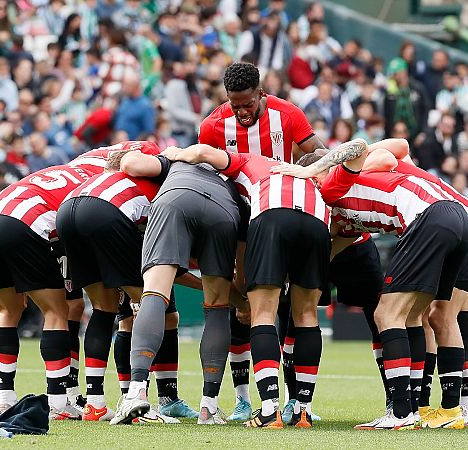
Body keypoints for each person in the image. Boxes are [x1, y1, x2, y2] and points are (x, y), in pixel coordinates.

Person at [272, 139, 468, 430]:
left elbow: (358, 145)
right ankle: (416, 410)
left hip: (429, 219)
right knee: (411, 316)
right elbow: (333, 246)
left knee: (385, 315)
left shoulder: (332, 184)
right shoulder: (342, 209)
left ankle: (400, 413)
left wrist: (311, 169)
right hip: (457, 220)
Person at [165, 140, 340, 429]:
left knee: (262, 314)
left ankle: (270, 409)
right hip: (316, 223)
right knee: (307, 315)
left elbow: (201, 152)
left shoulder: (254, 161)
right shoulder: (319, 180)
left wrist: (174, 153)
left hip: (272, 216)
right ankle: (302, 410)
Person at [197, 62, 327, 421]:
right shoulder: (212, 125)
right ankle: (243, 399)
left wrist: (305, 167)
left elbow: (320, 153)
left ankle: (291, 403)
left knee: (288, 309)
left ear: (261, 93)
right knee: (244, 305)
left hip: (278, 209)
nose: (241, 111)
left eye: (248, 104)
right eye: (234, 104)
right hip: (239, 221)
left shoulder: (288, 114)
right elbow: (206, 172)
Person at [57, 141, 194, 423]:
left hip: (67, 210)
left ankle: (96, 403)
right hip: (106, 214)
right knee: (157, 305)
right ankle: (143, 398)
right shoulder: (166, 186)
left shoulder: (108, 176)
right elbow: (169, 262)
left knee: (104, 307)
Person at [111, 147, 246, 426]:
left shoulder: (179, 160)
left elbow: (132, 163)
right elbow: (242, 255)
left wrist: (169, 156)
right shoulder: (238, 174)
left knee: (154, 294)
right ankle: (209, 407)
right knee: (217, 308)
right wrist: (243, 300)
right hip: (224, 212)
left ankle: (135, 392)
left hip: (175, 200)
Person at [362, 139, 468, 427]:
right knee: (430, 315)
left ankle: (463, 406)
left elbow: (395, 148)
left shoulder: (381, 164)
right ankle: (429, 403)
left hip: (460, 219)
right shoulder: (399, 180)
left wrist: (350, 160)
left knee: (444, 314)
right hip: (459, 219)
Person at [0, 163, 95, 419]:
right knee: (57, 311)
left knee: (7, 311)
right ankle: (58, 404)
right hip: (23, 221)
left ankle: (5, 399)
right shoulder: (93, 184)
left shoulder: (64, 169)